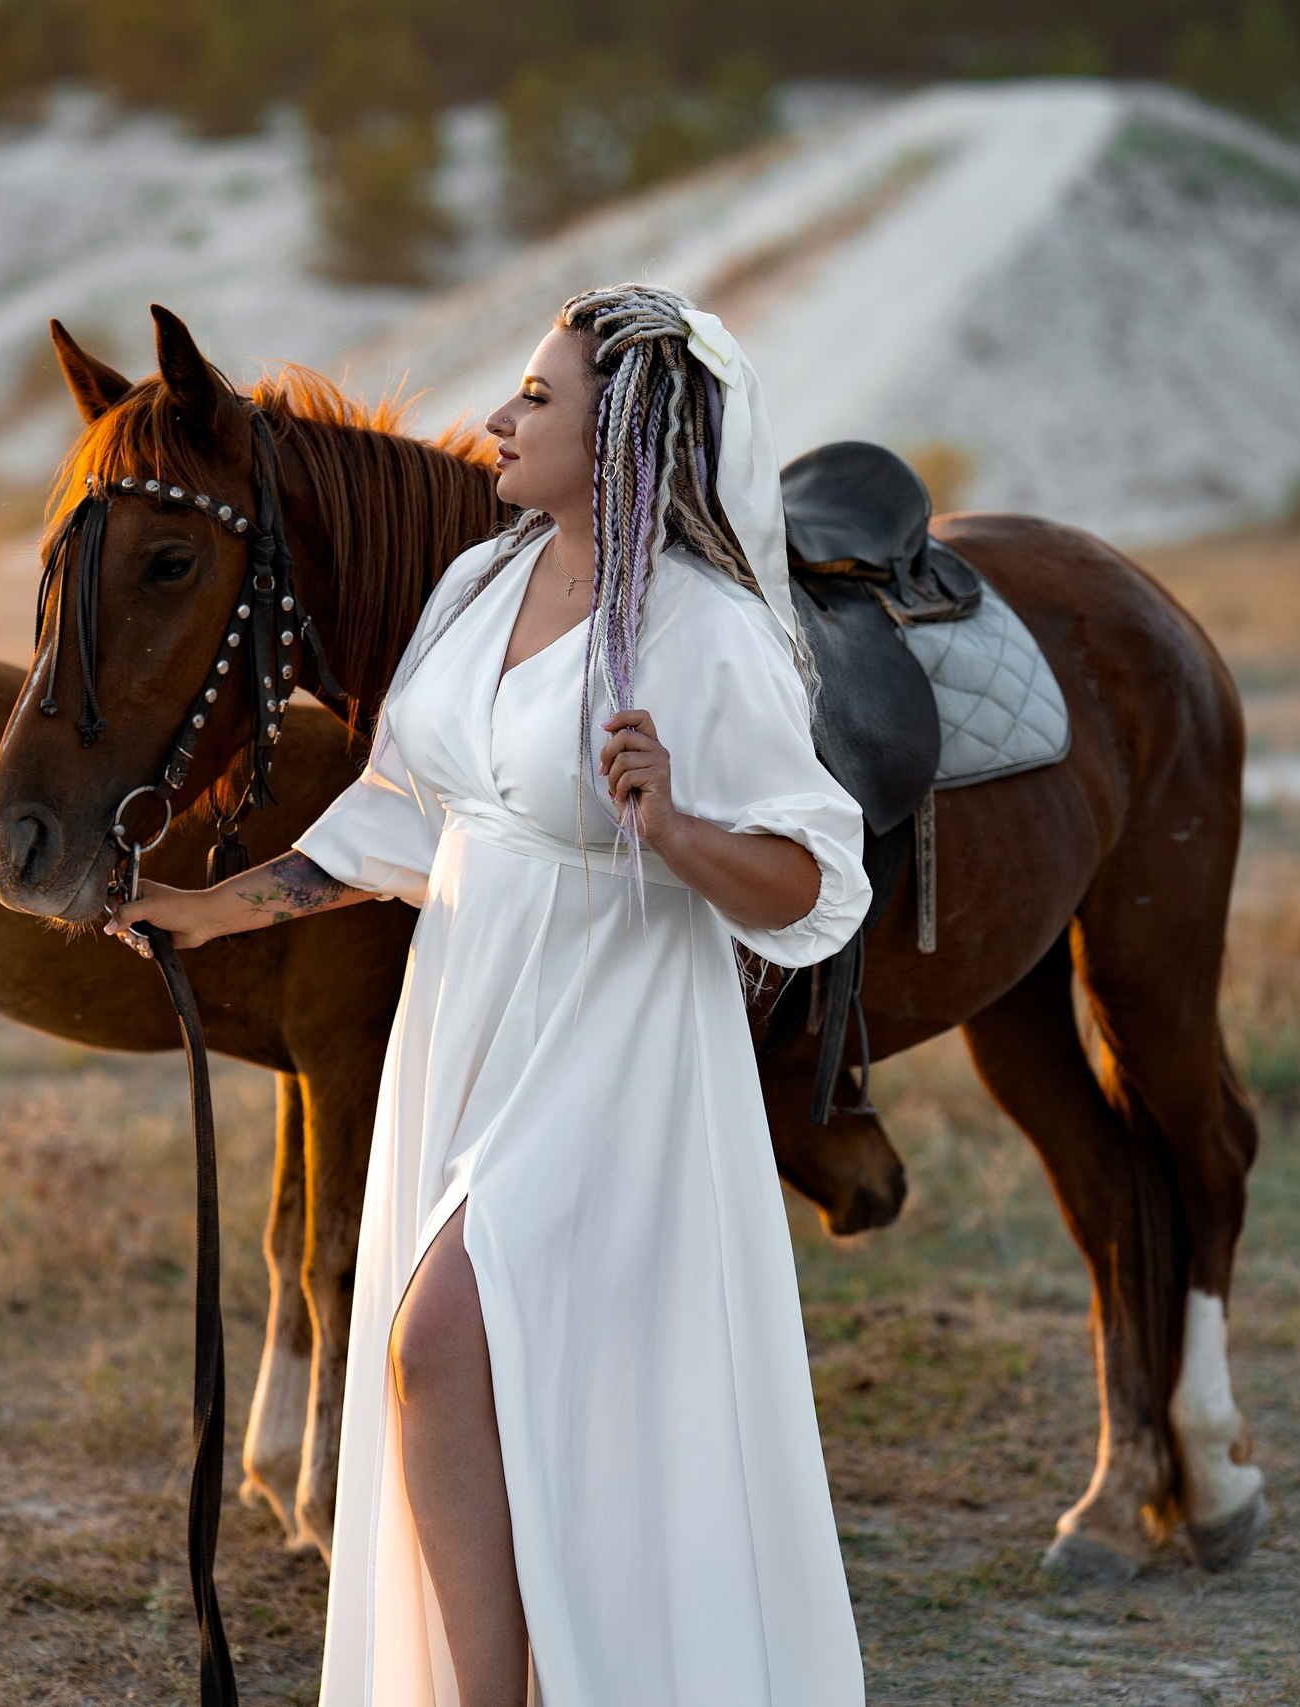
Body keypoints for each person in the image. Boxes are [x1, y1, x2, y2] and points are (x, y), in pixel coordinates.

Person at [106, 284, 869, 1707]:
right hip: (467, 1011)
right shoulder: (475, 587)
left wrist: (676, 828)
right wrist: (208, 908)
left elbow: (815, 885)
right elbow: (404, 815)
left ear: (621, 435)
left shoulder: (706, 632)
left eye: (536, 398)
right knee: (475, 1367)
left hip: (614, 1039)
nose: (498, 421)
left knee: (435, 1338)